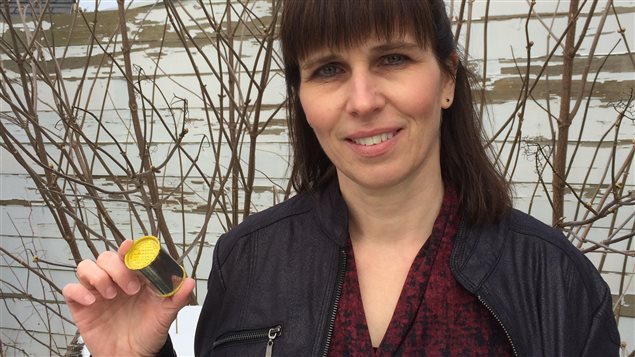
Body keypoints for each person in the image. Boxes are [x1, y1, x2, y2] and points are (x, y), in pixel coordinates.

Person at [62, 0, 621, 356]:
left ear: (447, 79)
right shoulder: (247, 261)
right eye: (329, 69)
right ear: (303, 98)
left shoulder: (557, 283)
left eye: (393, 59)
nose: (362, 101)